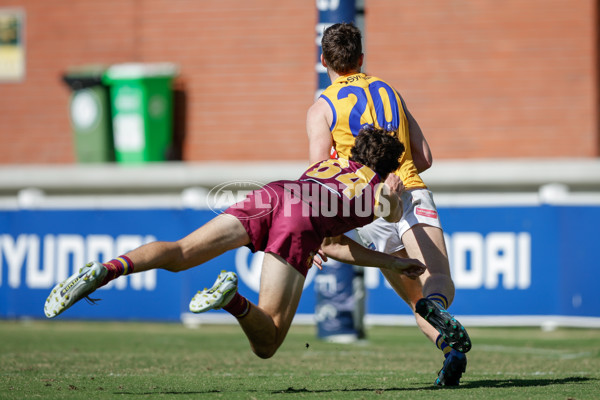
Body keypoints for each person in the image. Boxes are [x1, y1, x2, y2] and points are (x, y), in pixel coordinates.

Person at [44, 126, 426, 360]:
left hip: (274, 194)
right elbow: (388, 212)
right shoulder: (378, 185)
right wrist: (390, 194)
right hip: (300, 219)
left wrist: (387, 264)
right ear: (389, 168)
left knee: (179, 253)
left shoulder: (332, 163)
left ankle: (107, 269)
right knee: (269, 342)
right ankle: (232, 299)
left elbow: (334, 244)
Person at [306, 23, 471, 386]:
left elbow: (319, 174)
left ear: (323, 61)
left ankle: (450, 351)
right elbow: (424, 156)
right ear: (362, 58)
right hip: (409, 188)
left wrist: (314, 234)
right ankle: (441, 316)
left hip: (370, 207)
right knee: (438, 282)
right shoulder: (389, 91)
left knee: (415, 300)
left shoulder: (321, 107)